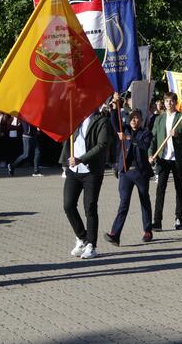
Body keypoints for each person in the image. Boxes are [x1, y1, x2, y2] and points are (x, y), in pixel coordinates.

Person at [61, 109, 111, 259]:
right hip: (73, 170)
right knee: (68, 205)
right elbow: (68, 140)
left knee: (90, 207)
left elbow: (102, 145)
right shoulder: (74, 118)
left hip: (91, 171)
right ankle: (82, 237)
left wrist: (81, 159)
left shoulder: (102, 121)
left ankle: (91, 245)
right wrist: (65, 162)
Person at [104, 110, 154, 245]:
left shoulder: (146, 133)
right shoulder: (124, 129)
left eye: (137, 118)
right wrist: (114, 108)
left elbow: (144, 145)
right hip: (125, 173)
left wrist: (129, 138)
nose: (134, 120)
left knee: (144, 200)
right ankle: (115, 234)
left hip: (140, 172)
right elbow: (115, 123)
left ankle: (148, 230)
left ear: (141, 120)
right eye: (132, 118)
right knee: (123, 203)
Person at [149, 92, 182, 231]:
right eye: (167, 101)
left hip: (178, 159)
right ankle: (157, 221)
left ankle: (178, 218)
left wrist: (178, 135)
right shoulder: (159, 119)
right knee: (160, 190)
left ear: (176, 102)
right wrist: (151, 154)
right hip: (163, 158)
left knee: (179, 188)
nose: (169, 103)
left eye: (171, 101)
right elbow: (153, 138)